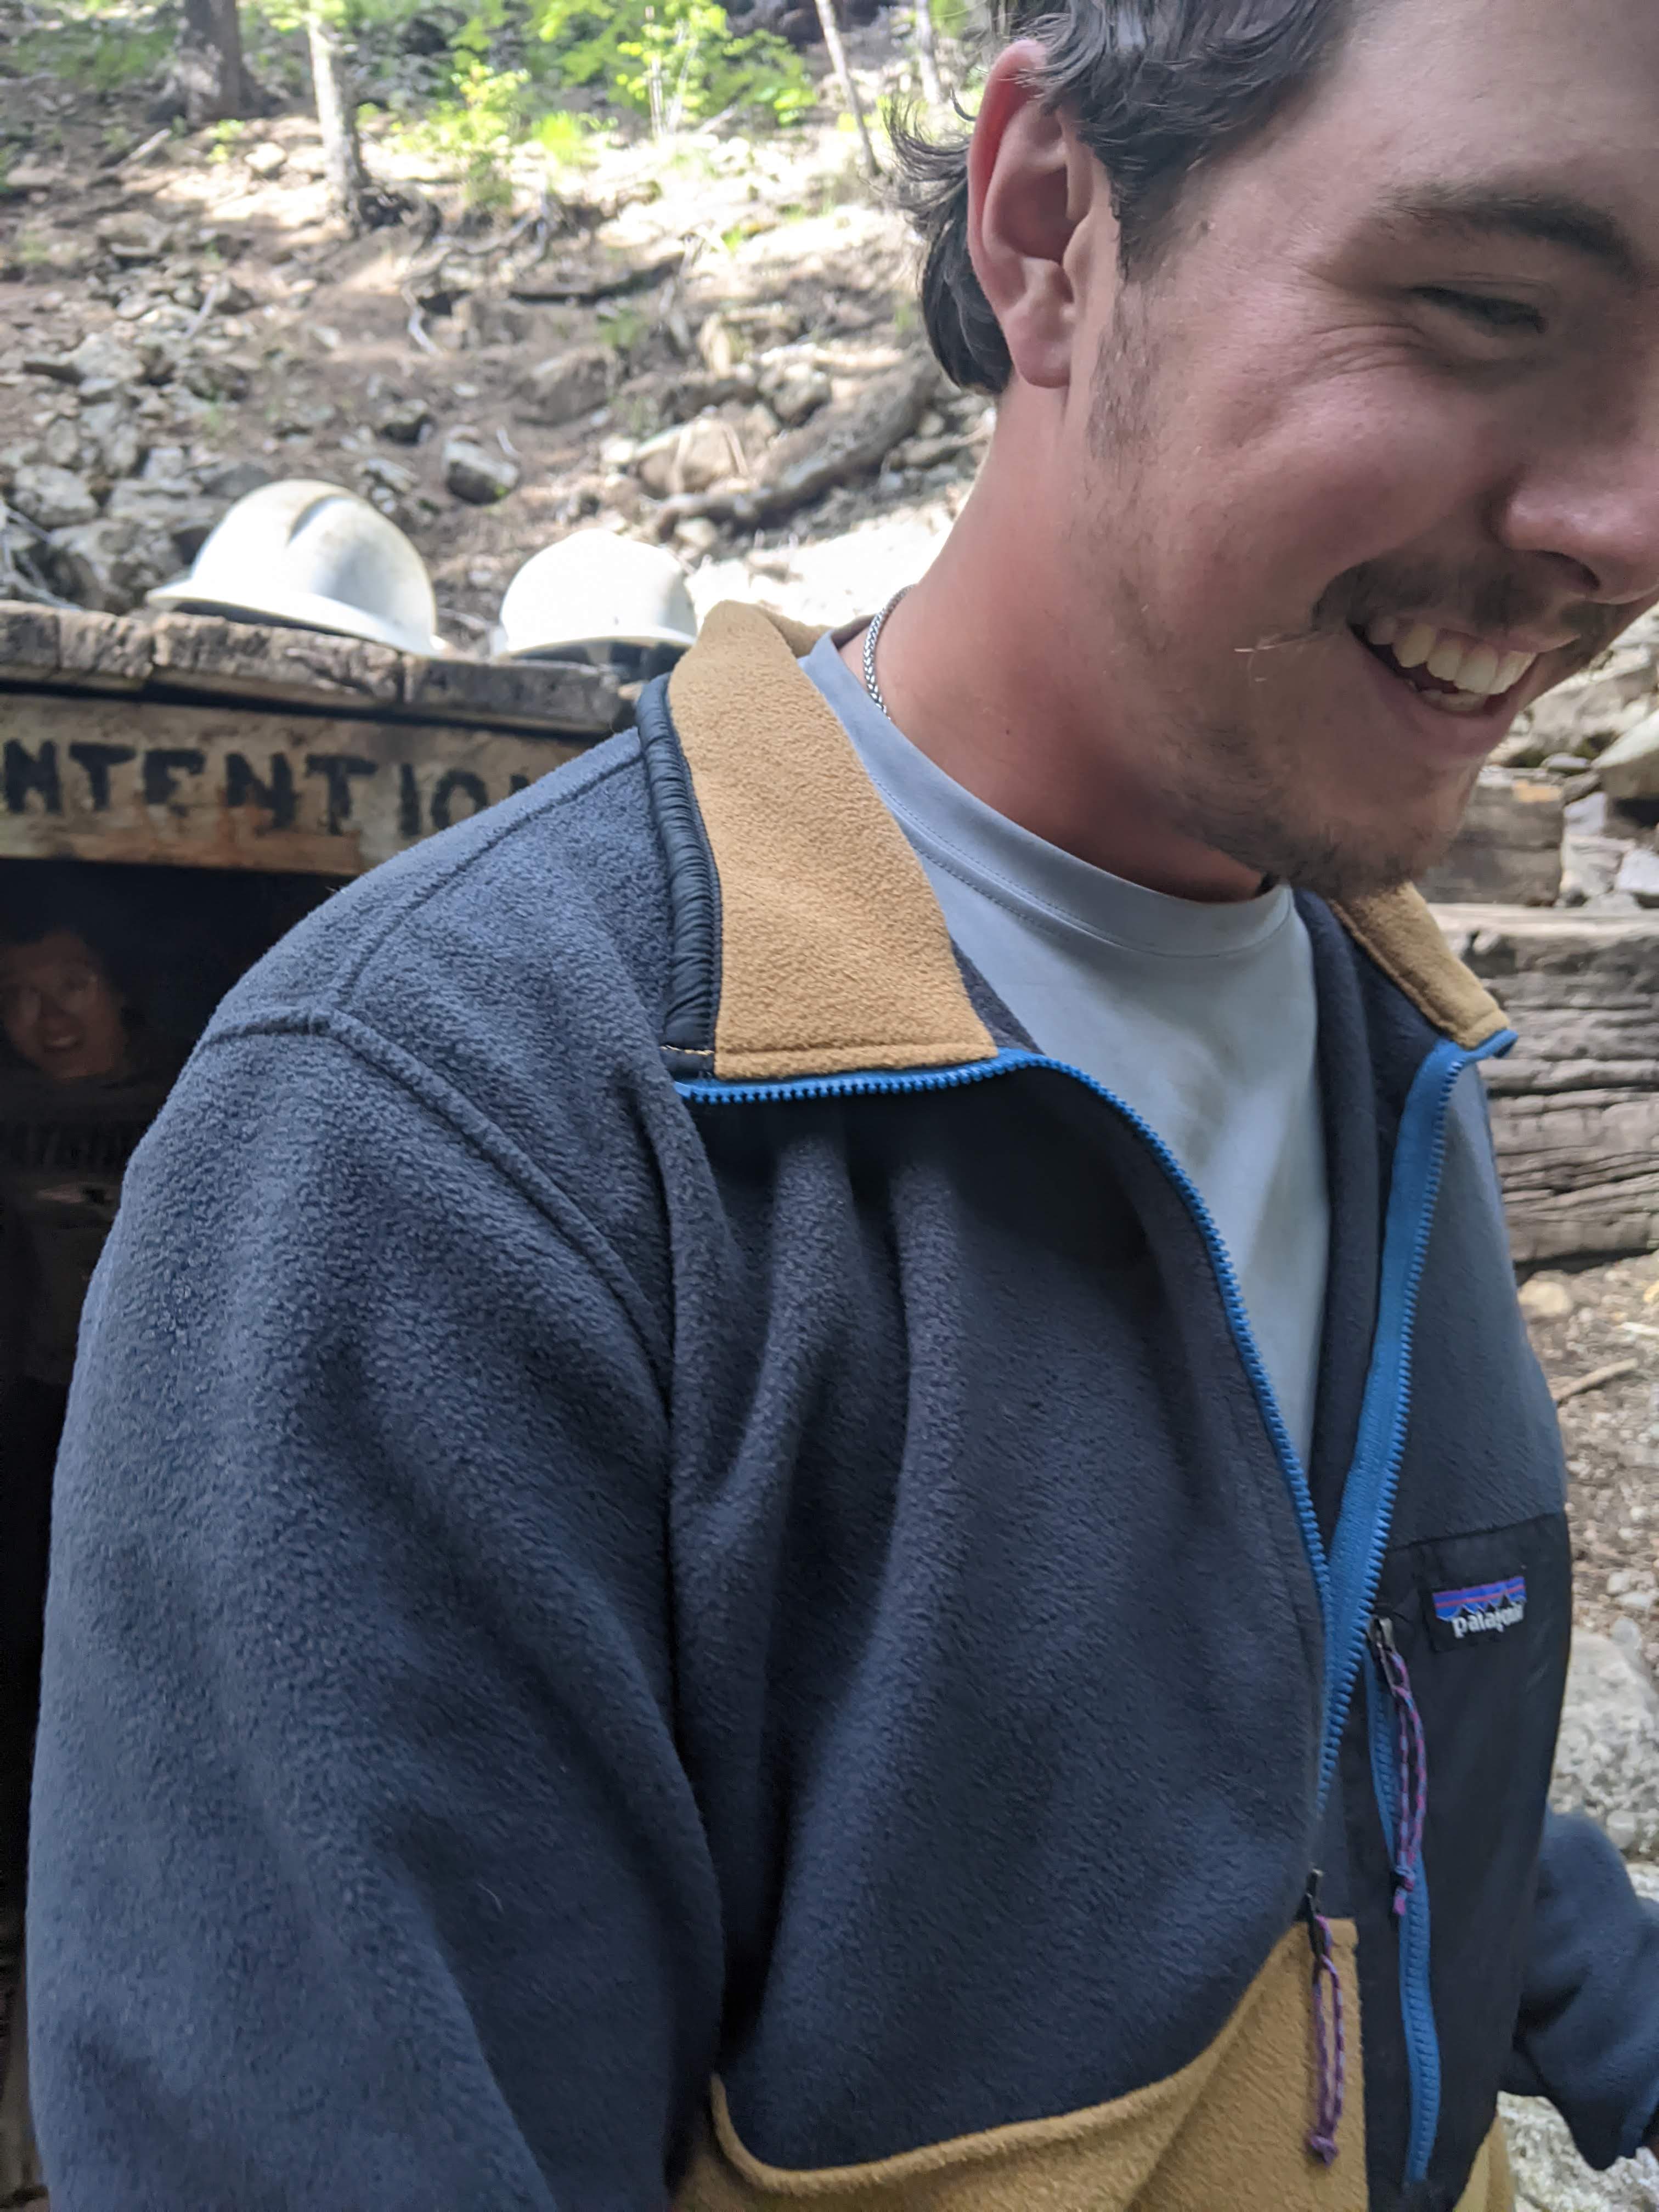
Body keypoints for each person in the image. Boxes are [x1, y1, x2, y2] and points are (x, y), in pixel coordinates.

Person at [26, 0, 1659, 2202]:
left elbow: (1347, 1723)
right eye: (1488, 307)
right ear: (1050, 221)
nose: (1622, 520)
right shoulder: (442, 1151)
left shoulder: (1390, 1030)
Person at [0, 891, 173, 2111]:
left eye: (67, 984)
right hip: (36, 1411)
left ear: (118, 990)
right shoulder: (8, 1114)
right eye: (15, 996)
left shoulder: (197, 1088)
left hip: (162, 1413)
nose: (45, 1017)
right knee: (26, 1643)